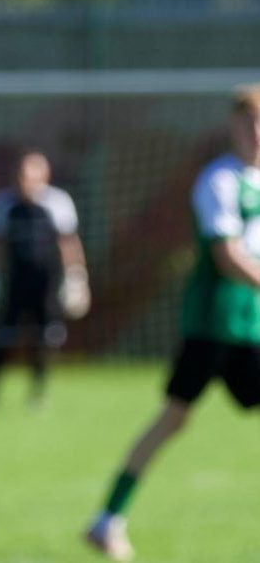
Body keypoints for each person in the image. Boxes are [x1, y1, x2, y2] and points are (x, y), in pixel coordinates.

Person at [85, 86, 260, 561]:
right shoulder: (218, 182)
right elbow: (228, 257)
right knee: (172, 419)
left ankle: (105, 522)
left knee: (174, 420)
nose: (257, 133)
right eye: (249, 123)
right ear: (234, 127)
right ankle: (106, 520)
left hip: (253, 326)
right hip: (214, 326)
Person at [0, 148, 89, 408]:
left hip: (46, 283)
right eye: (20, 175)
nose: (24, 181)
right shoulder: (3, 203)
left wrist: (76, 277)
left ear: (45, 176)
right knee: (3, 336)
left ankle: (38, 394)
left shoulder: (58, 203)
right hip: (13, 282)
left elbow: (68, 242)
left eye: (30, 175)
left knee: (45, 338)